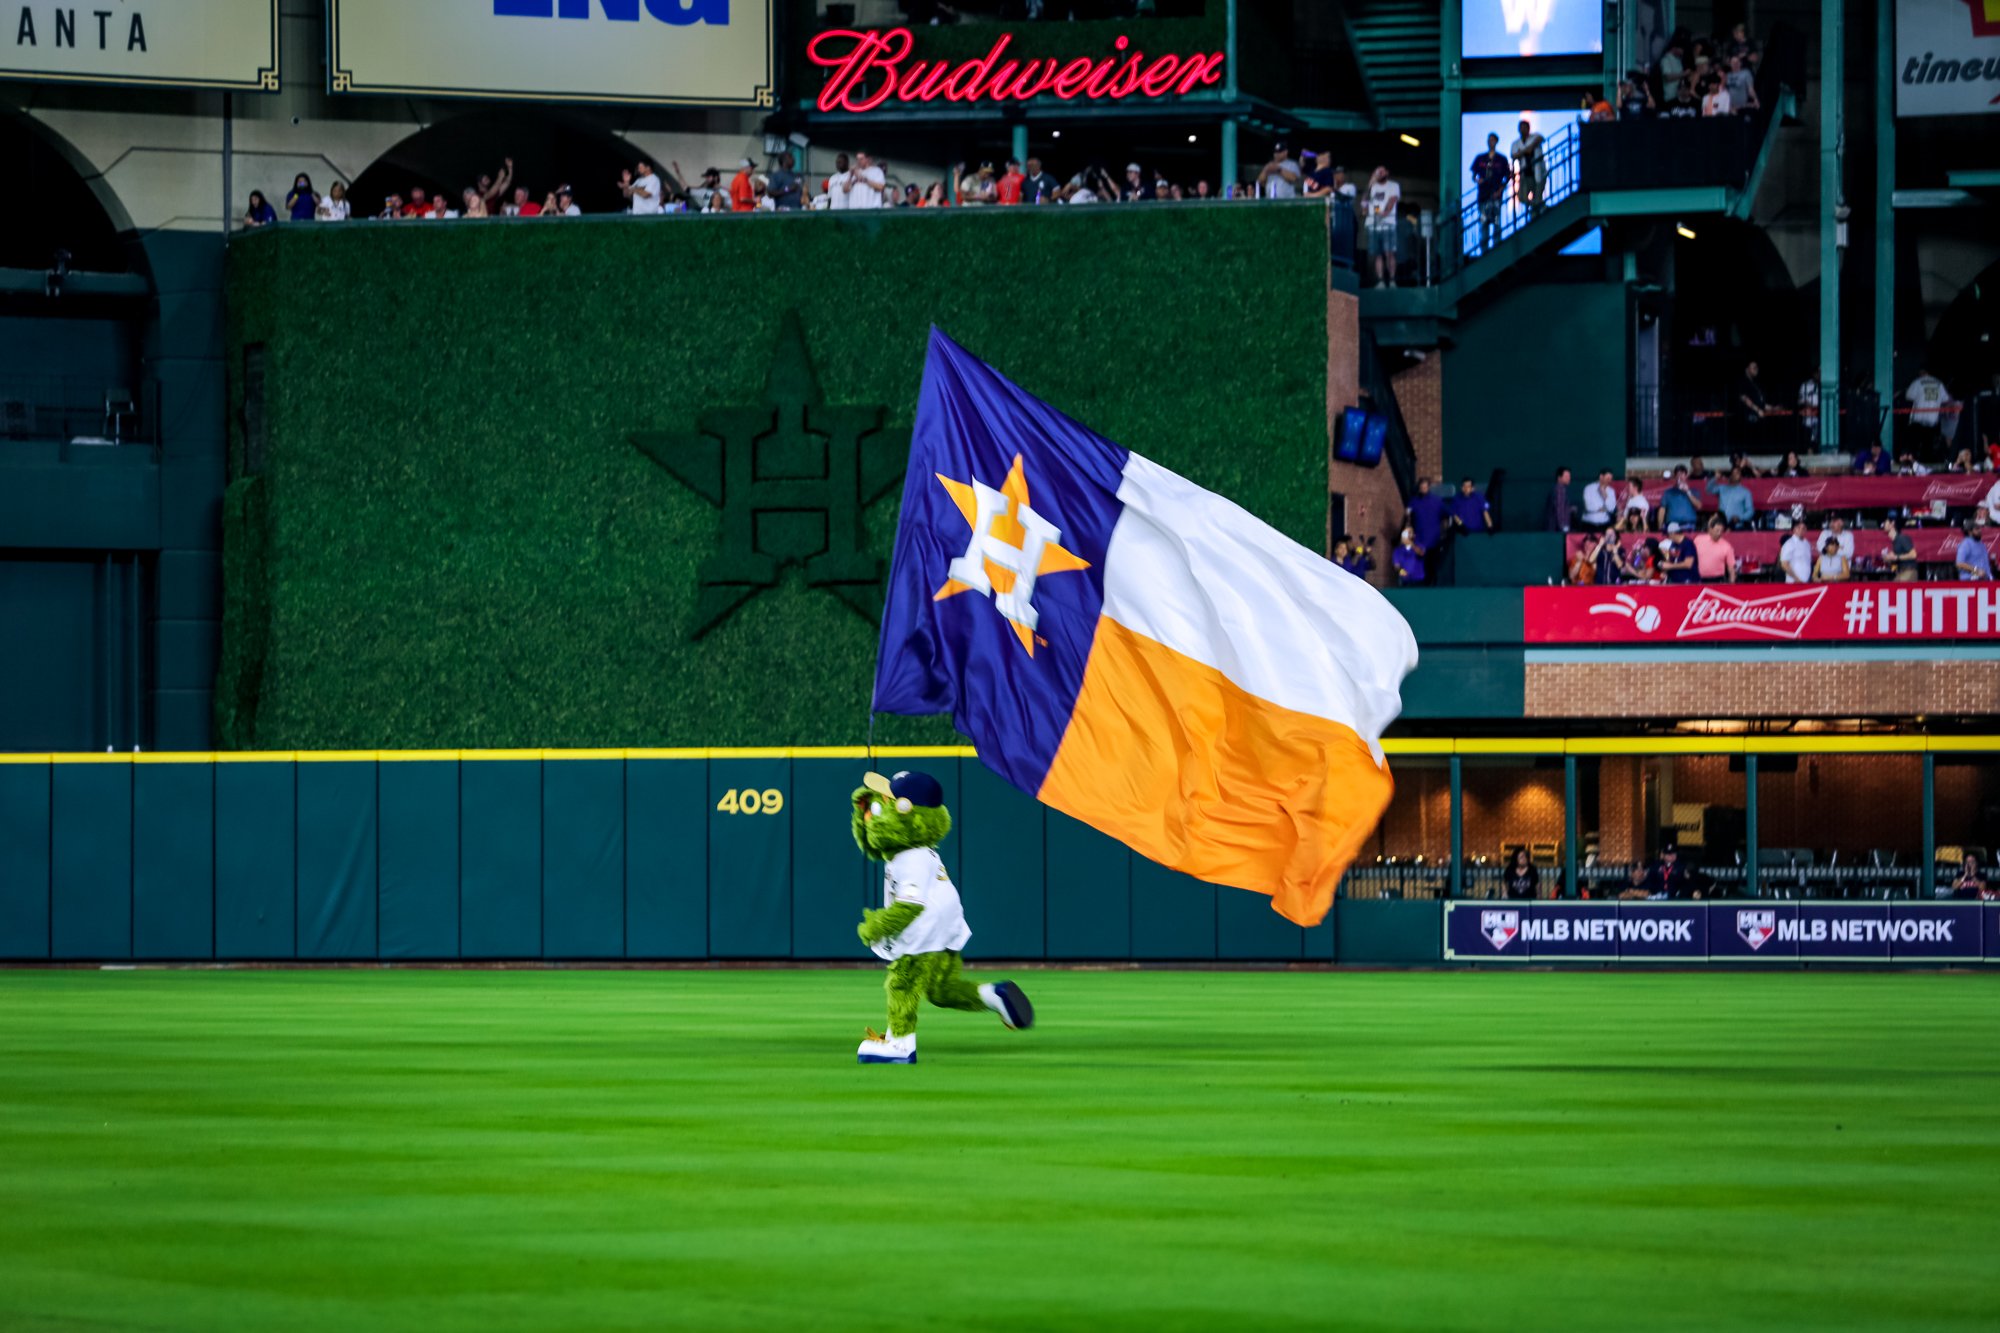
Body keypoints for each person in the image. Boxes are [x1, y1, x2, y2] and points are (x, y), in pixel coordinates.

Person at [850, 770, 1034, 1064]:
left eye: (886, 803)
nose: (879, 810)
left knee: (904, 981)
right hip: (947, 926)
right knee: (940, 989)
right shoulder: (918, 852)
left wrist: (877, 925)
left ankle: (900, 1045)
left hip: (926, 927)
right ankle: (994, 996)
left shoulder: (911, 858)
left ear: (908, 812)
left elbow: (911, 905)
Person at [1470, 132, 1511, 251]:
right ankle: (1484, 250)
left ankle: (1497, 247)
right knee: (1483, 222)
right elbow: (1474, 176)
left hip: (1496, 195)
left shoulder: (1501, 159)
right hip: (1483, 196)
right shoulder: (1480, 158)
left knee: (1496, 222)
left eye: (1493, 140)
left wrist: (1501, 190)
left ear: (1496, 142)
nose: (1491, 142)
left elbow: (1508, 176)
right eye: (1489, 140)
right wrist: (1478, 180)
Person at [1364, 166, 1401, 287]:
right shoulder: (1373, 187)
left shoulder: (1393, 186)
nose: (1379, 173)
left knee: (1389, 253)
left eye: (1382, 171)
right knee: (1377, 254)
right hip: (1374, 226)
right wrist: (1370, 183)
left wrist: (1382, 213)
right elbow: (1364, 202)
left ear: (1387, 172)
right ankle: (1380, 280)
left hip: (1388, 225)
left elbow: (1391, 201)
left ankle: (1392, 279)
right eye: (1377, 171)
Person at [1510, 120, 1547, 216]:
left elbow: (1540, 138)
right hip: (1525, 174)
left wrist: (1523, 151)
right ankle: (1539, 206)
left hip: (1538, 172)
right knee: (1521, 196)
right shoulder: (1516, 143)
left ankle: (1535, 214)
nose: (1523, 129)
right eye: (1521, 128)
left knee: (1538, 195)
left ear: (1528, 128)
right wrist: (1527, 150)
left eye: (1525, 127)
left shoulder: (1535, 136)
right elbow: (1514, 155)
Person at [1405, 476, 1446, 555]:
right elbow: (1408, 516)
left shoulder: (1437, 500)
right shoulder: (1413, 501)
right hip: (1419, 541)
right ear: (1419, 488)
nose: (1423, 488)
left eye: (1425, 487)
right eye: (1422, 487)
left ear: (1428, 487)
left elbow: (1446, 514)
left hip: (1434, 540)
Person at [1692, 515, 1737, 582]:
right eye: (1717, 530)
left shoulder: (1727, 546)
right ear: (1710, 529)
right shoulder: (1698, 540)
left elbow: (1731, 568)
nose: (1719, 533)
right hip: (1700, 579)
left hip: (1718, 580)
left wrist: (1732, 585)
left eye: (1721, 531)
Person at [1657, 467, 1701, 533]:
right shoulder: (1668, 492)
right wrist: (1660, 525)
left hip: (1688, 525)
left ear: (1686, 476)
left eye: (1682, 474)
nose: (1679, 477)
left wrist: (1687, 492)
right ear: (1675, 477)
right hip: (1672, 526)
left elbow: (1699, 506)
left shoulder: (1694, 491)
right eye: (1677, 475)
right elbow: (1662, 509)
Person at [1779, 519, 1816, 583]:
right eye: (1798, 528)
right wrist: (1796, 579)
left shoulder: (1807, 543)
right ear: (1794, 530)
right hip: (1793, 581)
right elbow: (1784, 564)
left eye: (1804, 528)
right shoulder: (1789, 544)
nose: (1801, 530)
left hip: (1806, 581)